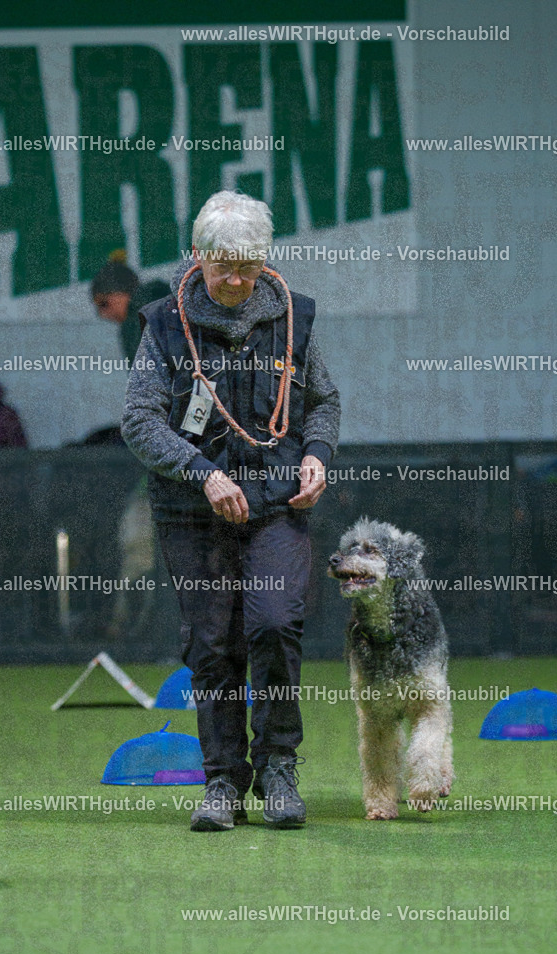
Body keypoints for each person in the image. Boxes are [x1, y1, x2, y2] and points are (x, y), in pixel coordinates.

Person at [122, 190, 340, 832]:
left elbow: (324, 401)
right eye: (224, 267)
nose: (237, 280)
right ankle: (222, 782)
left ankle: (279, 768)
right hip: (194, 510)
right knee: (212, 645)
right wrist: (202, 471)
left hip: (276, 503)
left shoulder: (294, 319)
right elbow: (138, 421)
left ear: (264, 260)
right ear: (198, 256)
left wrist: (319, 454)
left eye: (249, 266)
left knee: (274, 625)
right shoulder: (163, 323)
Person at [91, 250, 169, 365]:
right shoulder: (171, 300)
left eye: (104, 304)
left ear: (121, 293)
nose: (102, 314)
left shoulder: (135, 323)